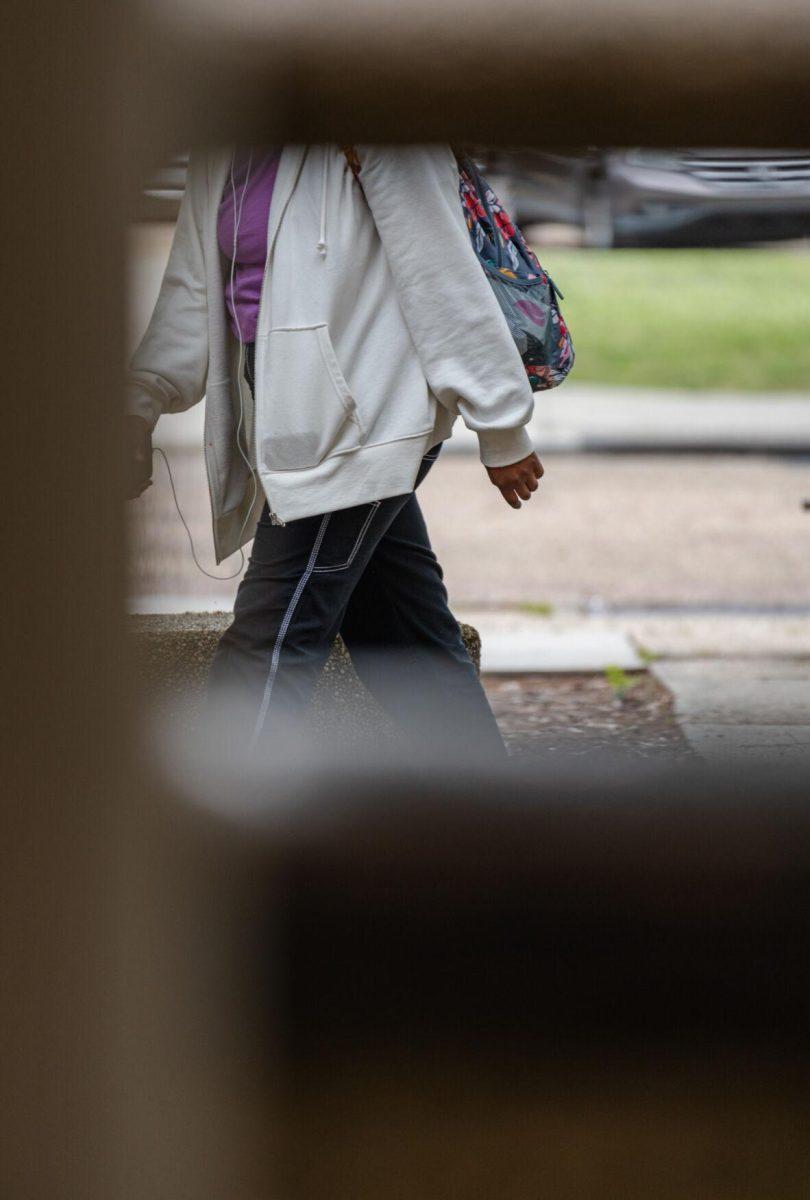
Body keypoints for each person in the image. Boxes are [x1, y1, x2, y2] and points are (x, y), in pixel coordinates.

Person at [125, 144, 544, 760]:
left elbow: (441, 273)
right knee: (403, 643)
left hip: (362, 421)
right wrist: (139, 401)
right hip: (289, 417)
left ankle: (214, 837)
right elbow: (192, 290)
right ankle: (495, 827)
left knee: (269, 645)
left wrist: (500, 423)